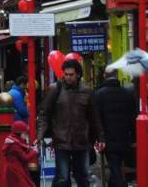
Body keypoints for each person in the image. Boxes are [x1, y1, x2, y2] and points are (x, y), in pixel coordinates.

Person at [37, 59, 102, 187]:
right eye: (66, 74)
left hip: (81, 141)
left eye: (71, 74)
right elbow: (44, 113)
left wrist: (100, 138)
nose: (68, 77)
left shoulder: (87, 91)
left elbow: (94, 117)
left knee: (83, 176)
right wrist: (40, 136)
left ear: (78, 74)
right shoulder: (55, 89)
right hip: (61, 141)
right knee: (63, 176)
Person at [94, 70, 136, 187]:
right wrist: (133, 137)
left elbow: (97, 119)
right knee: (116, 166)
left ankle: (122, 184)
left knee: (115, 167)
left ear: (104, 76)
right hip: (124, 136)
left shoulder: (99, 94)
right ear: (117, 76)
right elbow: (133, 117)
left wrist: (98, 137)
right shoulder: (127, 93)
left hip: (108, 138)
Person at [2, 121, 38, 187]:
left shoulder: (14, 141)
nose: (26, 135)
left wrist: (31, 149)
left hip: (15, 169)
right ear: (19, 133)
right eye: (25, 133)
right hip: (16, 170)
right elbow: (25, 158)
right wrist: (34, 151)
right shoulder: (14, 144)